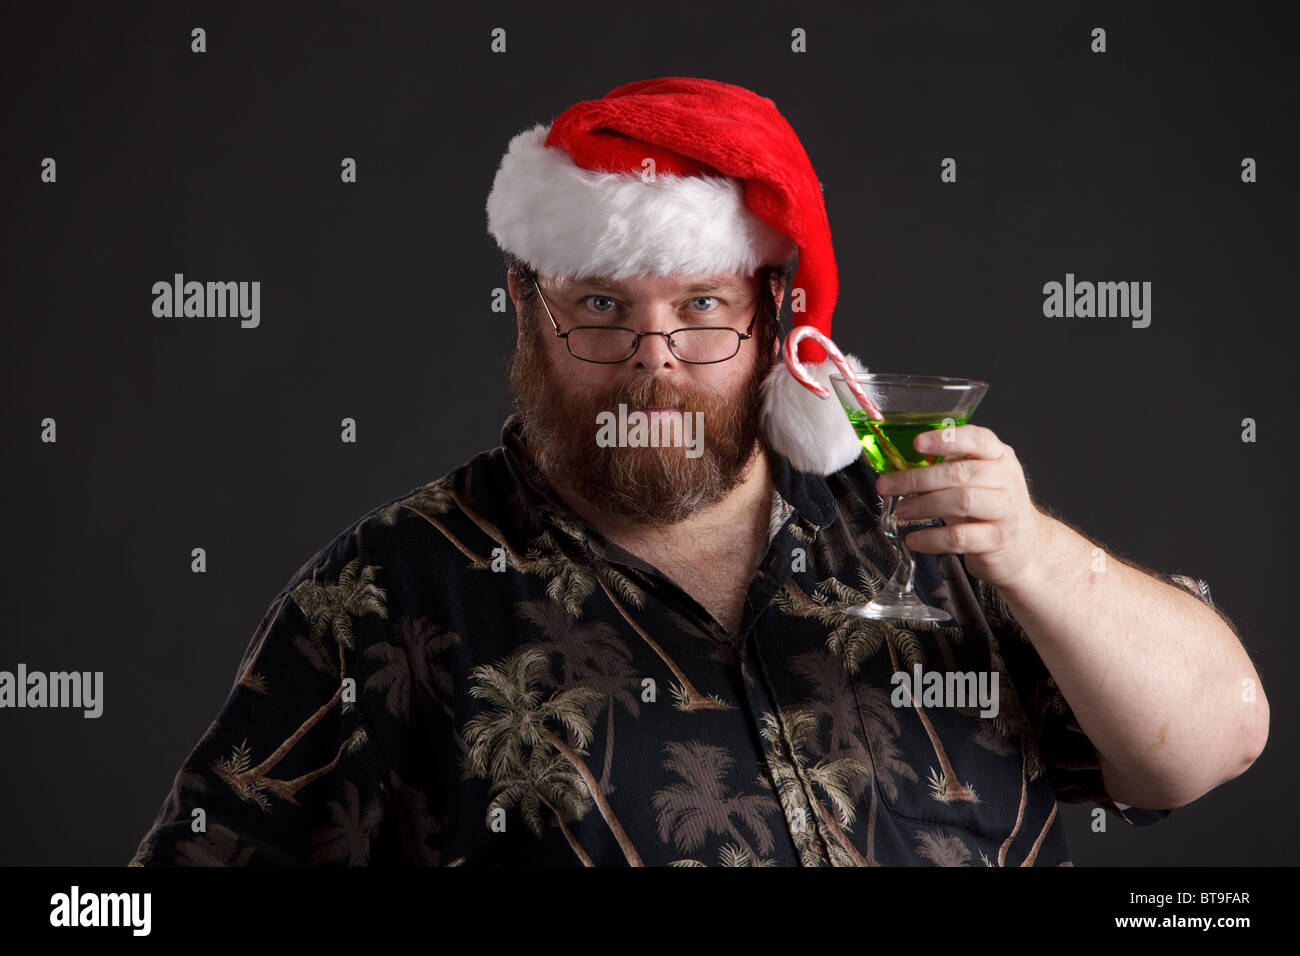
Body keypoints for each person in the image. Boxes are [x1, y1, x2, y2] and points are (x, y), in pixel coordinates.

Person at [130, 76, 1267, 867]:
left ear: (779, 320)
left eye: (704, 308)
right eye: (601, 308)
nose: (653, 364)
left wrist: (1034, 554)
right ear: (525, 309)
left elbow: (1213, 741)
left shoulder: (928, 532)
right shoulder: (388, 592)